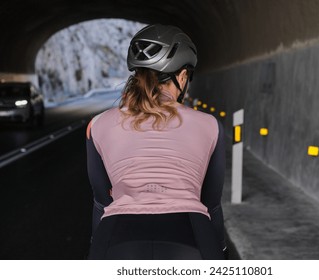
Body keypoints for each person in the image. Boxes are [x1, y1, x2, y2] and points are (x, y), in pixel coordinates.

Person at [86, 24, 227, 259]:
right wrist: (221, 251)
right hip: (192, 238)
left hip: (117, 239)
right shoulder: (210, 125)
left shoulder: (97, 124)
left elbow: (101, 201)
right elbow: (212, 204)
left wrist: (96, 251)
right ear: (182, 77)